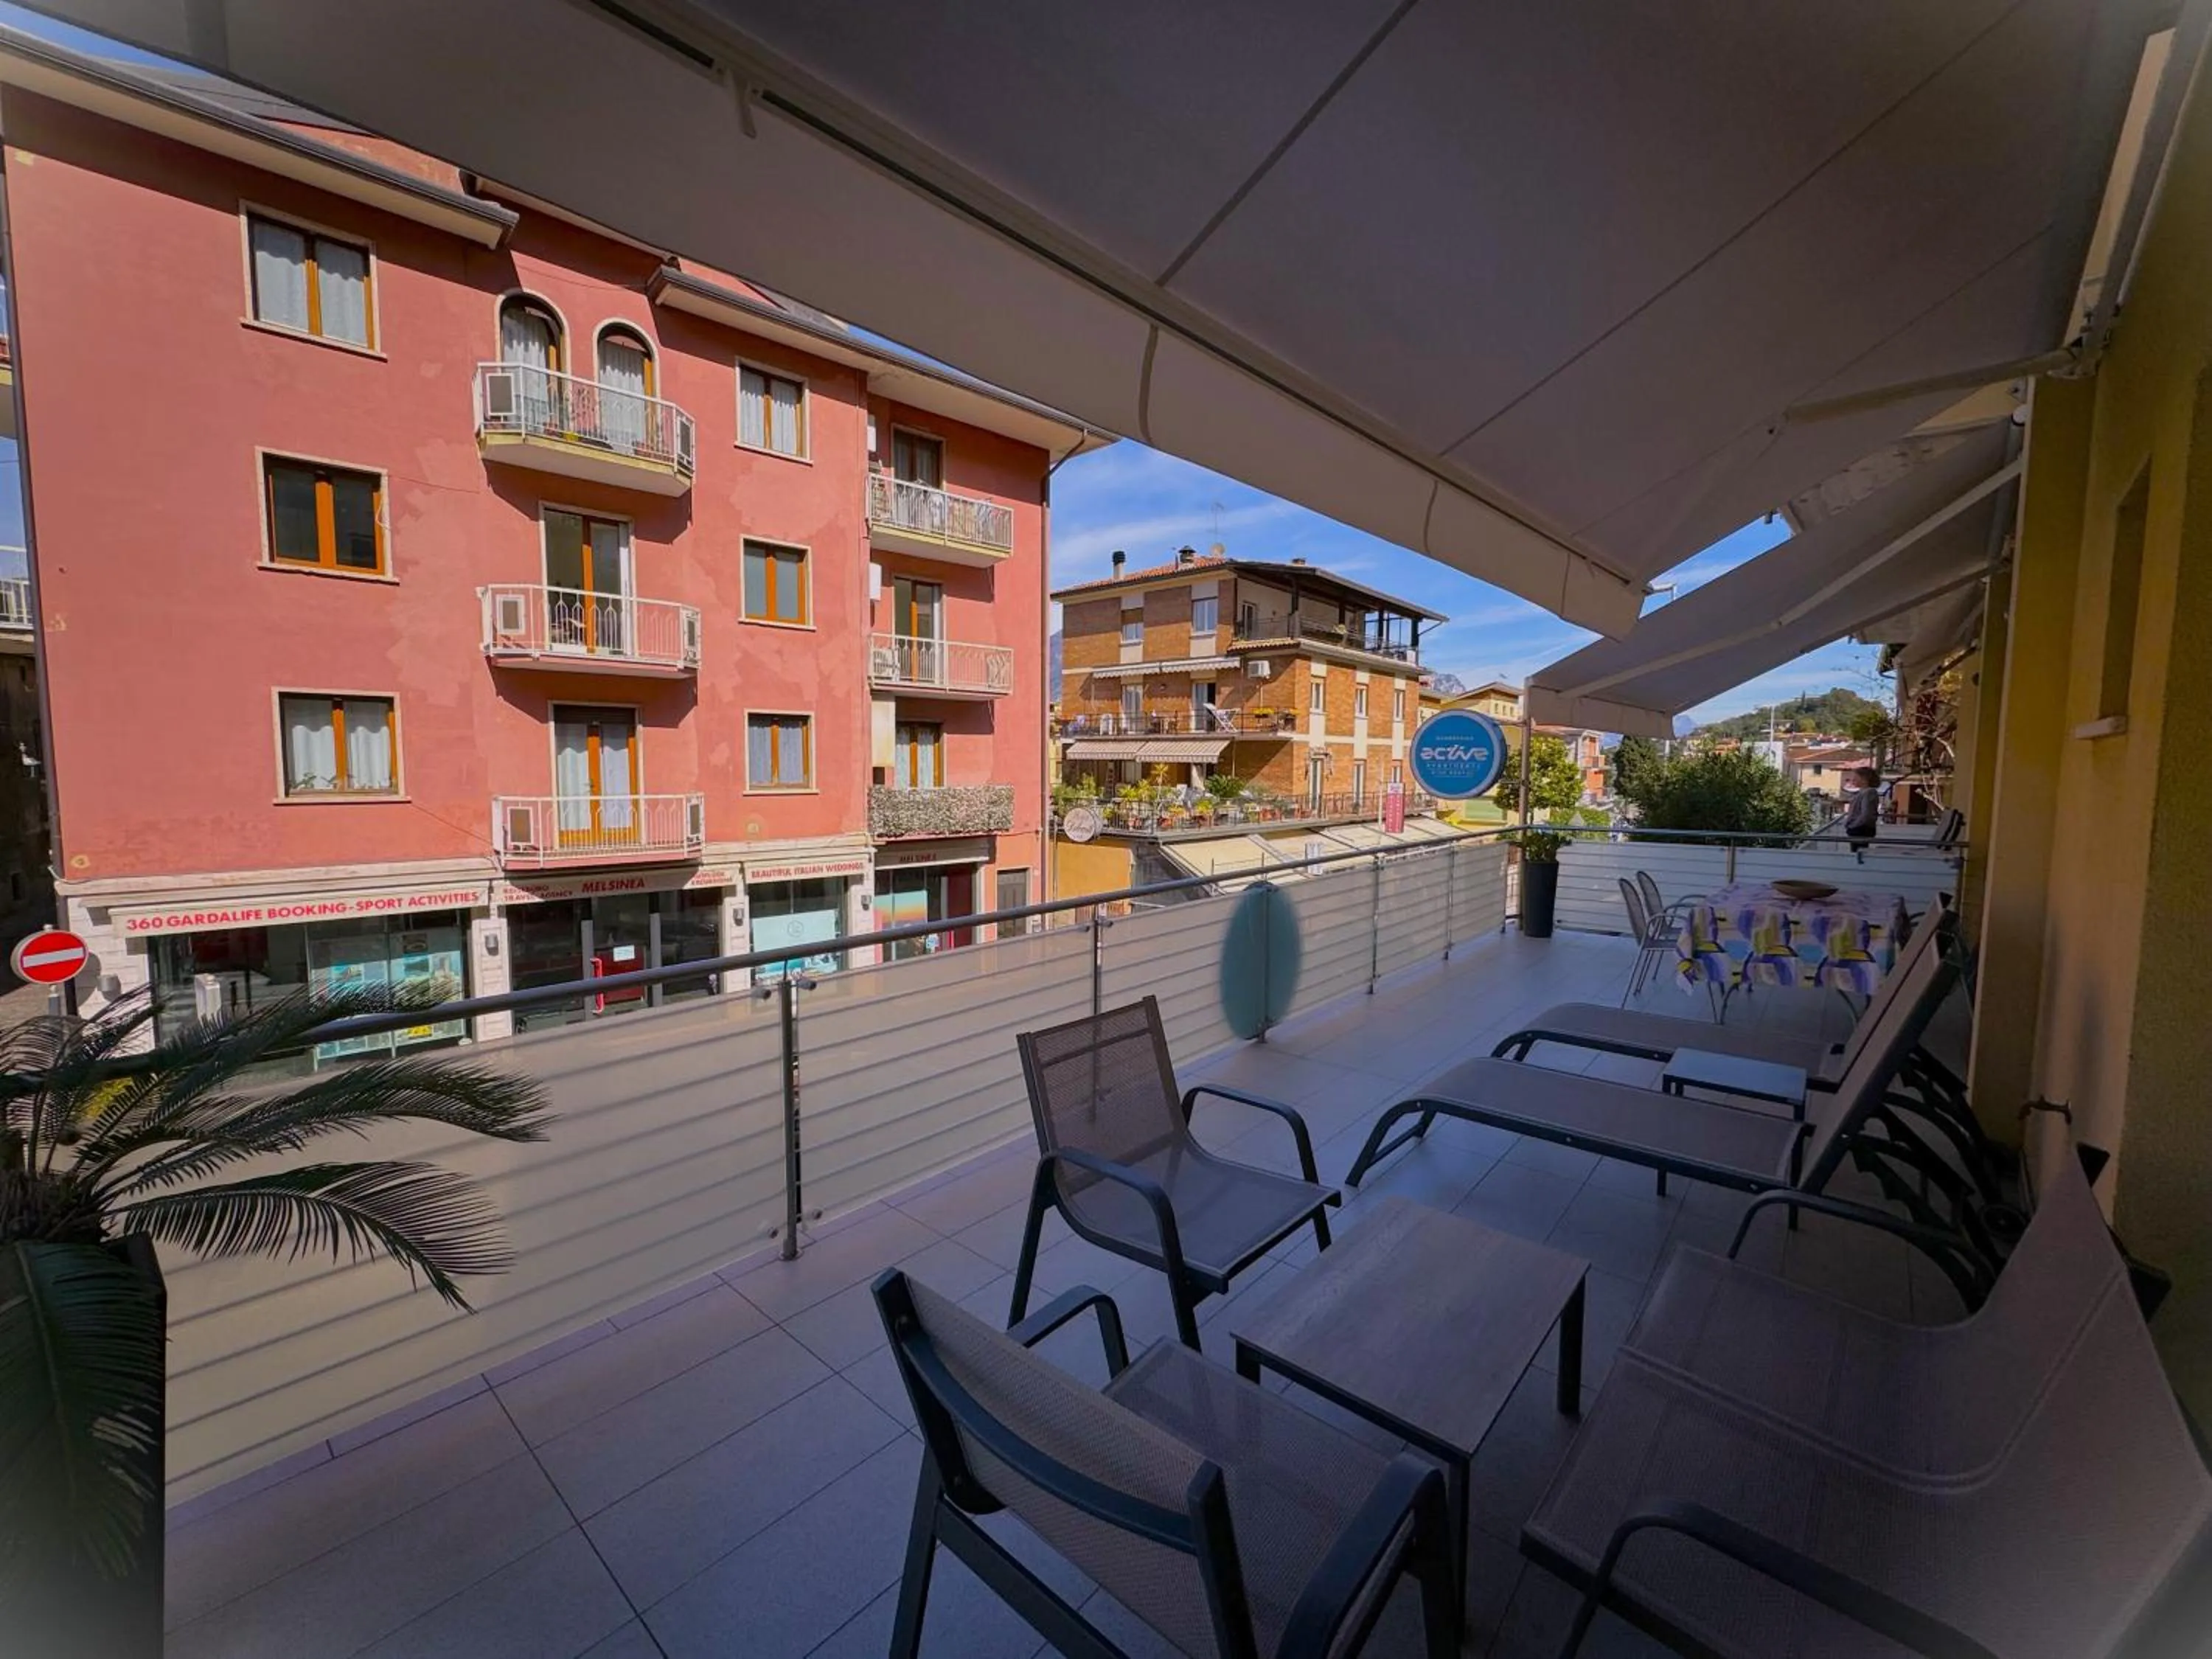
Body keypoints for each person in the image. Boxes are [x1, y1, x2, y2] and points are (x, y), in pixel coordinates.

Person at [1843, 766, 1882, 855]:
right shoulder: (1863, 792)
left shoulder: (1869, 793)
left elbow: (1866, 814)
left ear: (1864, 779)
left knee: (1858, 854)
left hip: (1861, 830)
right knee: (1857, 853)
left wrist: (1853, 825)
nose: (1853, 779)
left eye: (1856, 777)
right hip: (1858, 829)